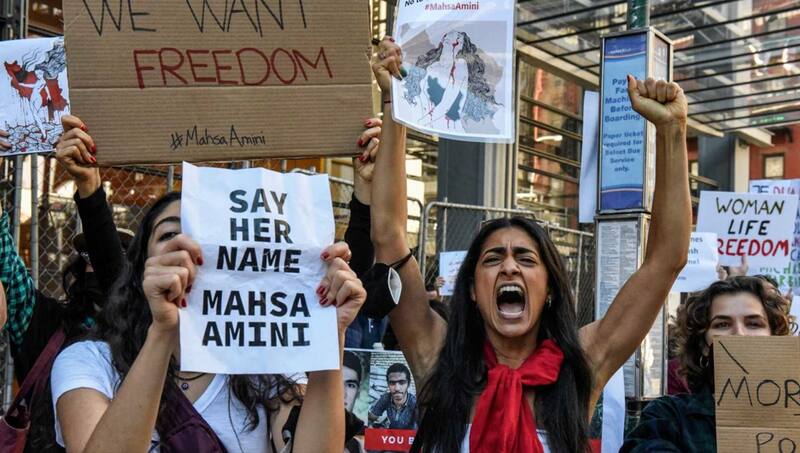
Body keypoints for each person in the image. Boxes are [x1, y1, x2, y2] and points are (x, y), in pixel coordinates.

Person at [370, 37, 691, 453]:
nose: (509, 267)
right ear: (471, 288)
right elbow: (389, 234)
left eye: (525, 257)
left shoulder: (581, 367)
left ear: (551, 288)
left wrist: (671, 131)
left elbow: (666, 259)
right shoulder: (437, 358)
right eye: (492, 259)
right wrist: (395, 105)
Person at [50, 190, 365, 452]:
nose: (189, 251)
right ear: (141, 268)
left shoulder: (265, 363)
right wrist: (163, 331)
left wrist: (330, 333)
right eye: (171, 235)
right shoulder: (89, 362)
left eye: (208, 239)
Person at [621, 276, 793, 452]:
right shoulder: (668, 417)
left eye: (754, 324)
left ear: (775, 338)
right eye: (723, 324)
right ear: (703, 345)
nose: (740, 334)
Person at [368, 363, 417, 430]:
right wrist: (370, 426)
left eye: (402, 382)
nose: (397, 388)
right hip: (392, 436)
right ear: (388, 384)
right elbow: (372, 417)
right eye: (392, 383)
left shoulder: (414, 403)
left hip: (410, 437)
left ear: (408, 384)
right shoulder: (386, 398)